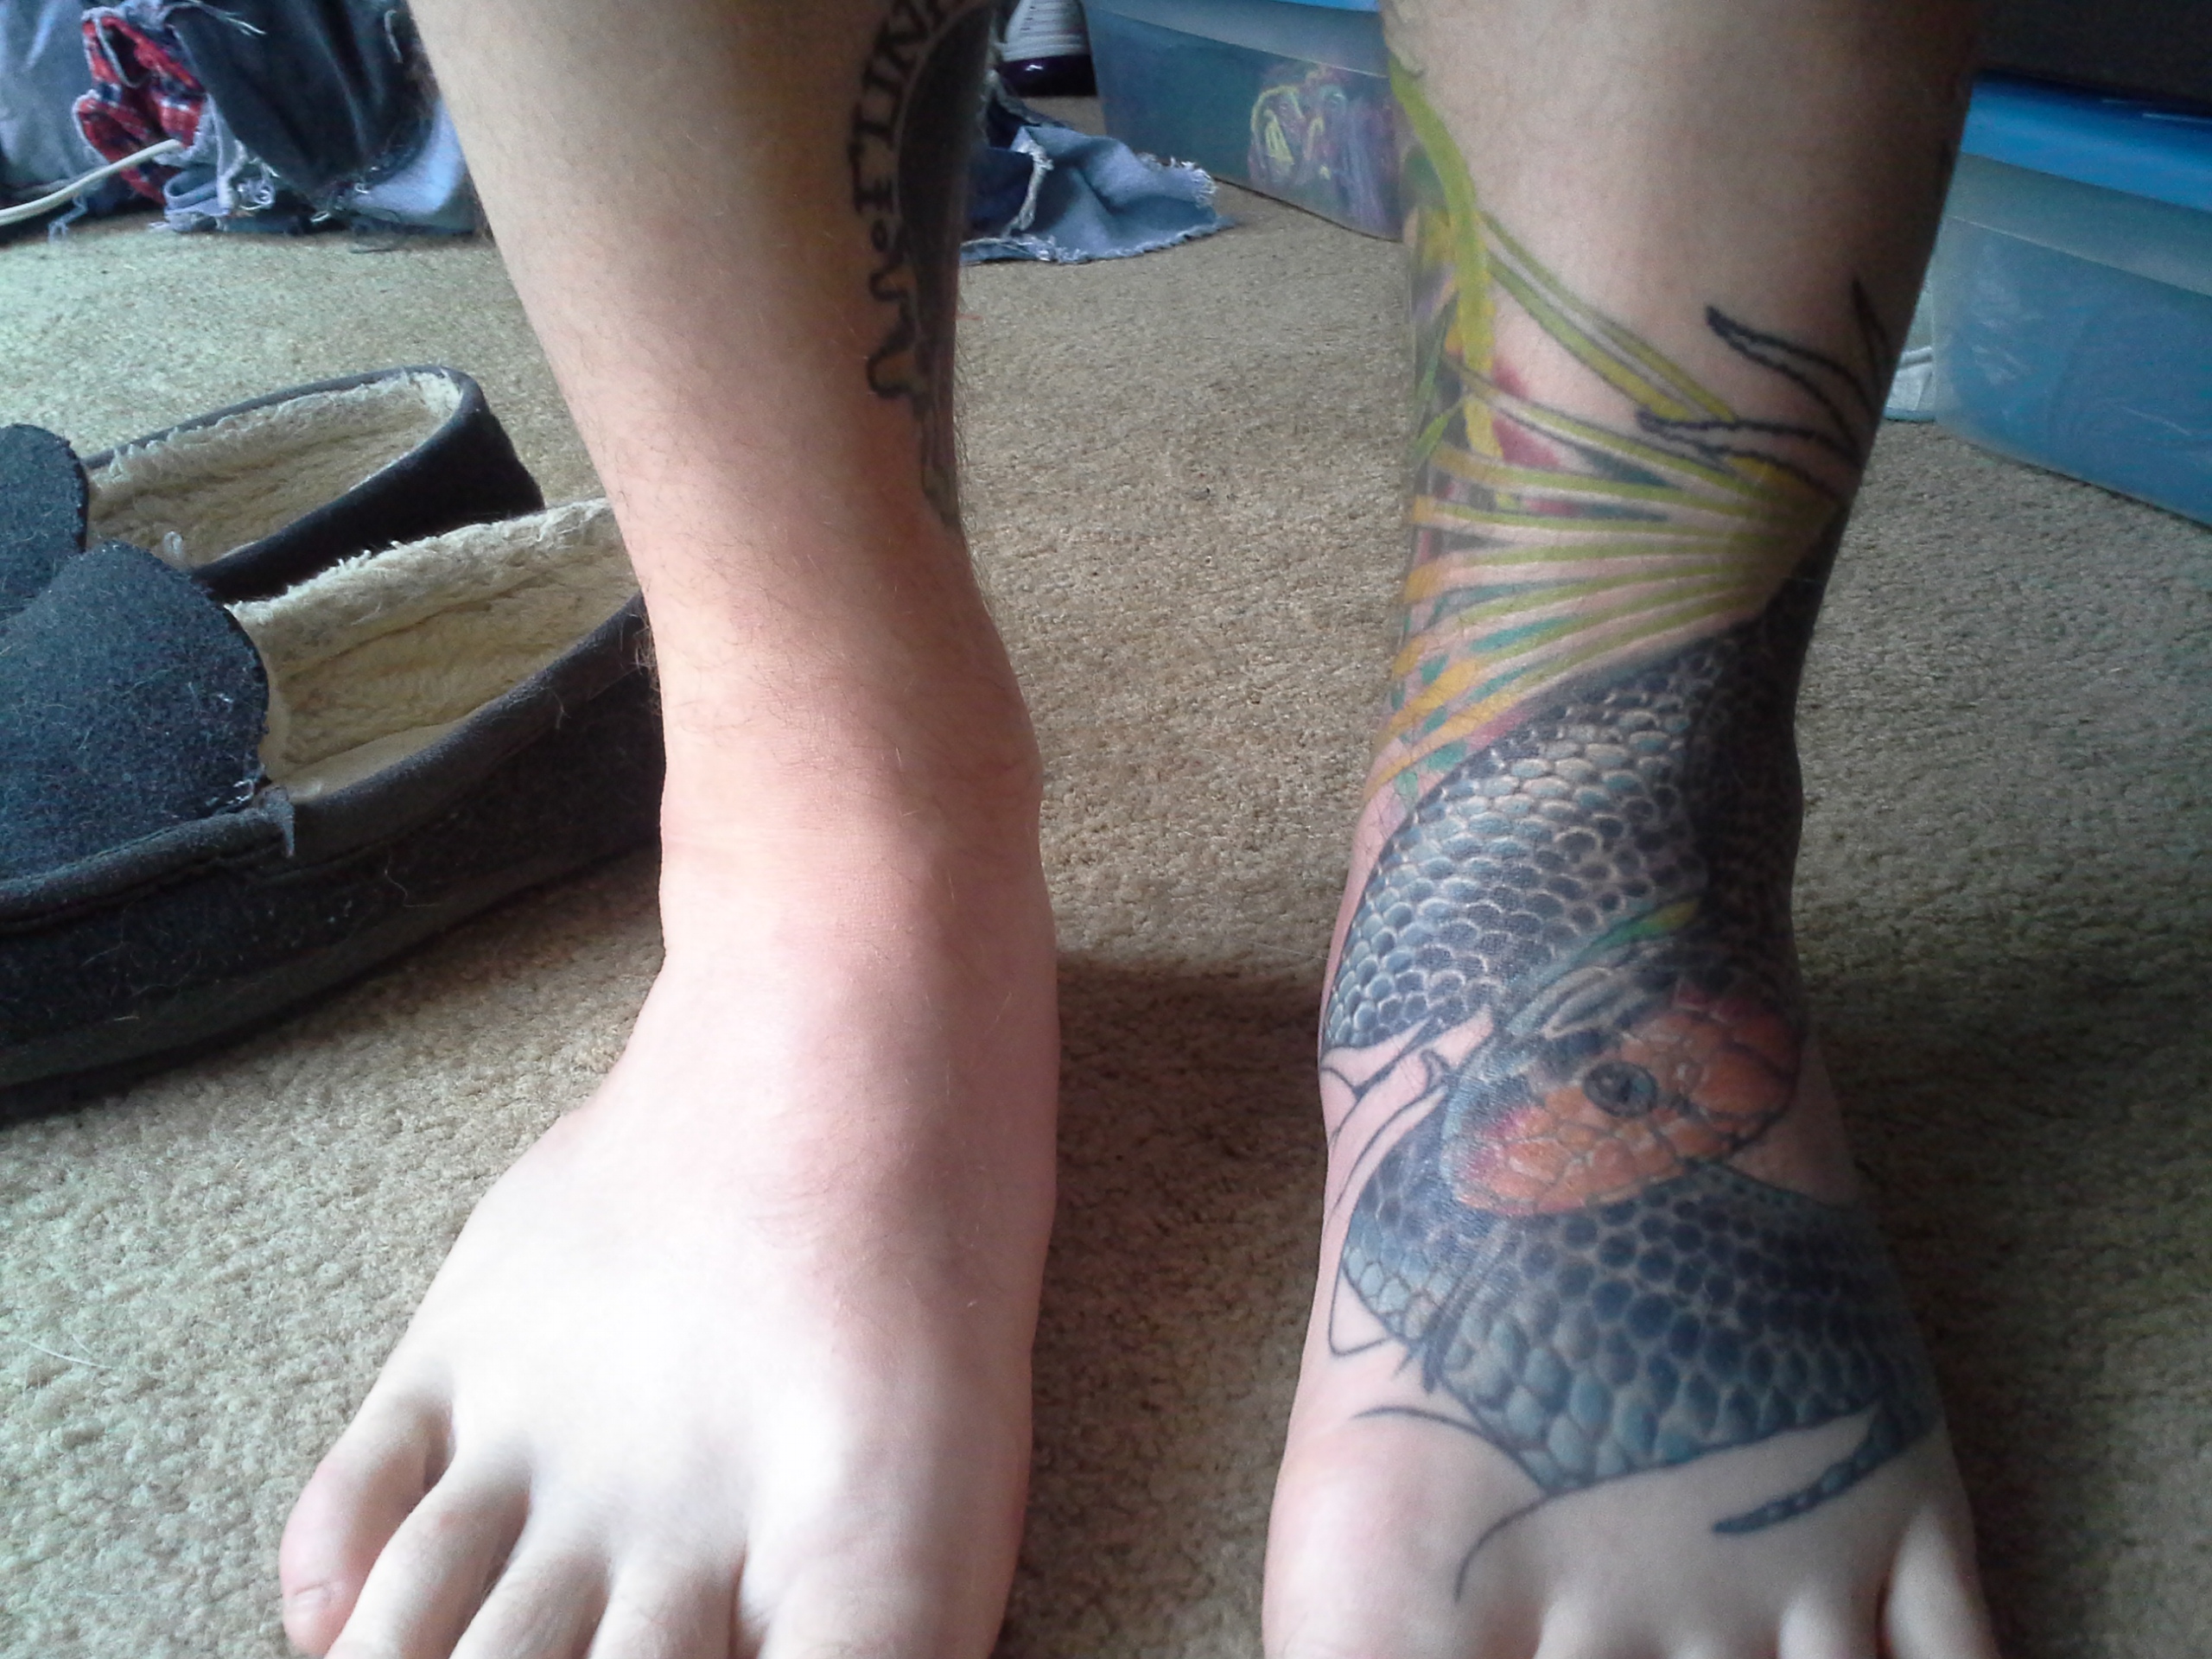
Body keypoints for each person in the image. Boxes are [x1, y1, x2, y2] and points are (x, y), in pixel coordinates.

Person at [274, 1, 2003, 1655]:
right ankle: (825, 860)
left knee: (1598, 803)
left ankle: (1607, 833)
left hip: (1591, 893)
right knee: (814, 768)